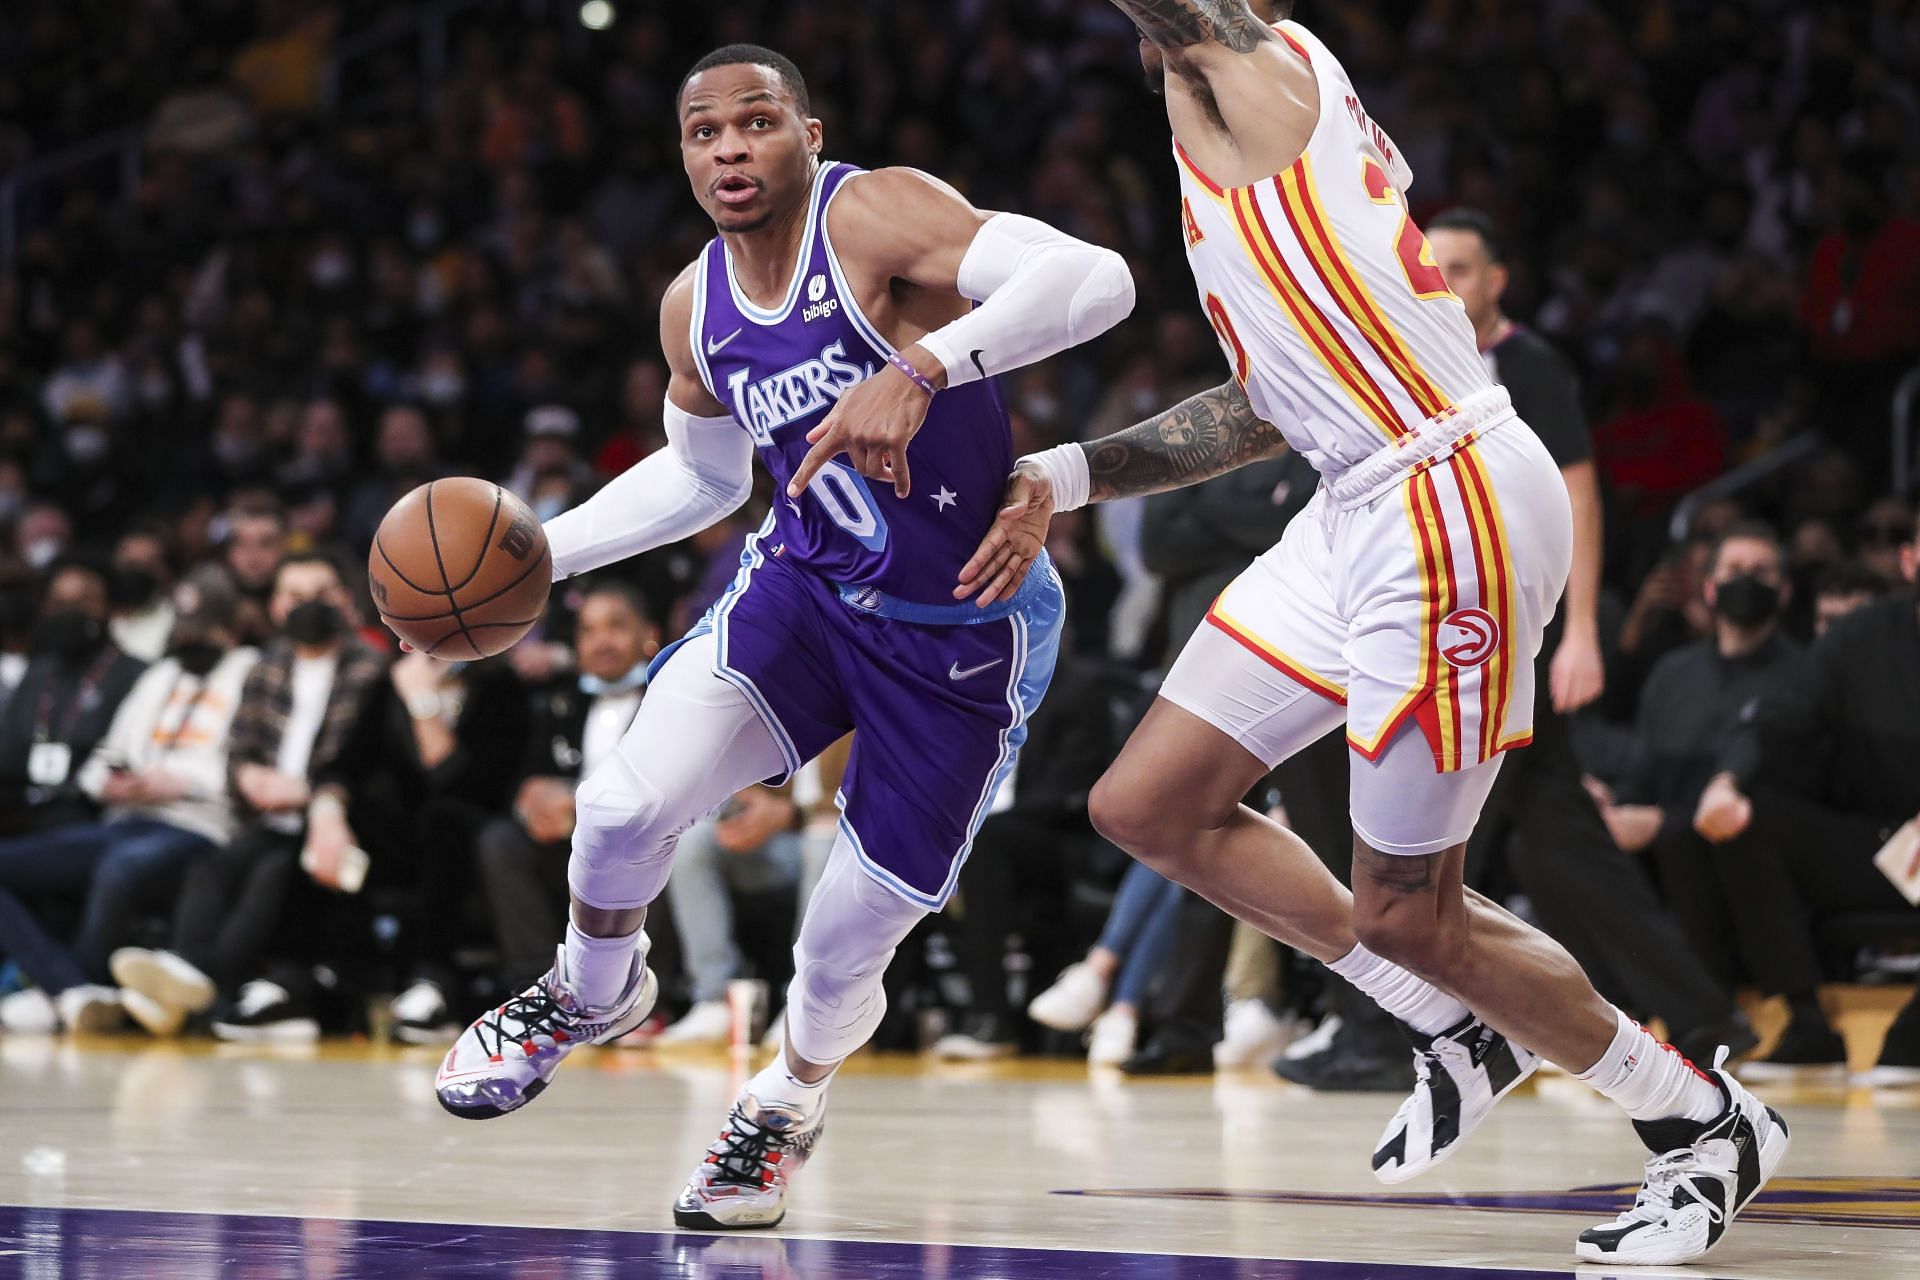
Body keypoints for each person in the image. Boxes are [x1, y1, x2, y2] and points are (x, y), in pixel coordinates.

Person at [963, 4, 1785, 1265]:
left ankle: (1699, 1121)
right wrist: (1064, 475)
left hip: (1444, 495)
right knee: (1150, 803)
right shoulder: (1223, 152)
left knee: (1411, 907)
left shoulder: (1260, 70)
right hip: (1352, 502)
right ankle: (1455, 1024)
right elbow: (1264, 407)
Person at [431, 43, 1133, 1234]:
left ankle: (787, 1099)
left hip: (962, 628)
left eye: (756, 123)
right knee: (614, 808)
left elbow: (1101, 279)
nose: (730, 150)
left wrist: (925, 362)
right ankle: (590, 990)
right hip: (805, 592)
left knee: (841, 943)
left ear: (808, 132)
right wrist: (544, 557)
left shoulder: (876, 215)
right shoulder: (692, 305)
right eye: (705, 133)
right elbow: (704, 481)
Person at [1429, 209, 1757, 1068]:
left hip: (1519, 632)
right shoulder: (1423, 362)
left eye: (1461, 268)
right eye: (1433, 267)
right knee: (1554, 844)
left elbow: (1582, 497)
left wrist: (1579, 634)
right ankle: (1693, 1018)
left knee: (1443, 847)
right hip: (1461, 627)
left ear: (1497, 280)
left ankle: (1448, 1032)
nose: (1445, 283)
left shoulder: (1529, 365)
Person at [111, 551, 387, 1040]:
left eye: (321, 594)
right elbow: (240, 749)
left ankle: (205, 991)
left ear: (345, 599)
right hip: (265, 818)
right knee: (212, 867)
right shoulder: (267, 665)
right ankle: (185, 976)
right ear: (276, 605)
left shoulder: (370, 668)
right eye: (294, 596)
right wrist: (248, 779)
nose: (308, 606)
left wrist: (305, 791)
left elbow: (363, 763)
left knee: (271, 871)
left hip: (339, 820)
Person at [1687, 511, 1920, 1083]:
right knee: (1746, 820)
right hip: (1882, 845)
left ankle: (1913, 1032)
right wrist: (1727, 783)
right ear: (1910, 560)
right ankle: (1808, 1023)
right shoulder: (1861, 638)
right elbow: (1776, 721)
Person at [0, 569, 256, 1034]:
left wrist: (176, 782)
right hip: (125, 818)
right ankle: (71, 987)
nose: (192, 638)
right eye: (185, 628)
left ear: (231, 629)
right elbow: (105, 758)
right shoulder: (160, 674)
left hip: (198, 824)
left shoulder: (252, 671)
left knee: (120, 869)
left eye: (204, 629)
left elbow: (249, 765)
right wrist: (109, 784)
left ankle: (76, 986)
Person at [476, 582, 658, 992]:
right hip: (565, 845)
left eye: (615, 627)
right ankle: (540, 987)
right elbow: (525, 783)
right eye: (589, 631)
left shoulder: (664, 701)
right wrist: (532, 804)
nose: (601, 641)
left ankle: (642, 991)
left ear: (650, 634)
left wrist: (577, 808)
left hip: (634, 849)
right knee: (501, 839)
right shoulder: (560, 703)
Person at [0, 561, 147, 836]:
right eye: (59, 604)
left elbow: (124, 762)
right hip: (23, 808)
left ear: (108, 608)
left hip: (90, 813)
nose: (69, 614)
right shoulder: (39, 671)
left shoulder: (136, 675)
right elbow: (7, 752)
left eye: (82, 603)